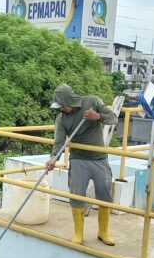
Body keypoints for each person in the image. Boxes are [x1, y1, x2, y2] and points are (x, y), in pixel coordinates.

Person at [45, 84, 118, 246]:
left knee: (105, 195)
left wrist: (98, 117)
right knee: (76, 196)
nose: (60, 109)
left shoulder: (92, 102)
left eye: (62, 105)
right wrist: (52, 158)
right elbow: (58, 142)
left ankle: (103, 232)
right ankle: (78, 233)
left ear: (68, 101)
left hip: (99, 159)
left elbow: (113, 118)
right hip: (78, 160)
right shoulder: (62, 118)